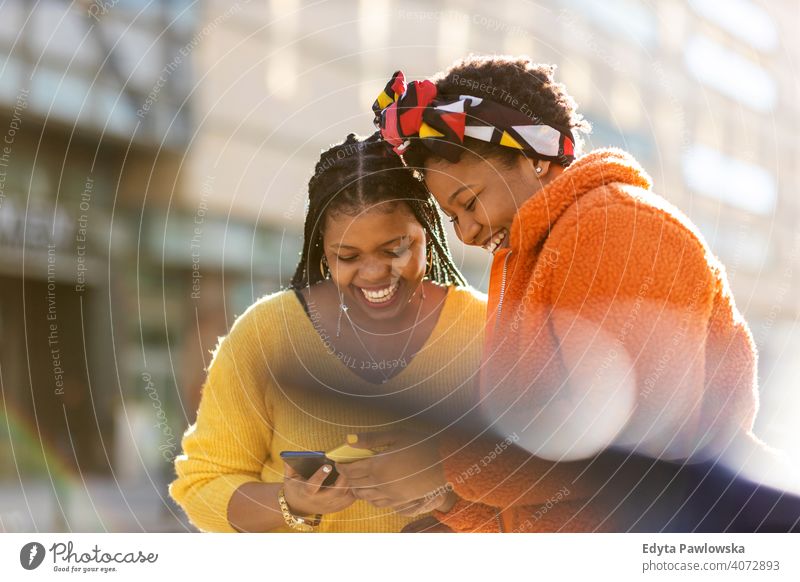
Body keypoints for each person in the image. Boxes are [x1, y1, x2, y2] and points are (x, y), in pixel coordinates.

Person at [338, 55, 765, 532]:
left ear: (534, 157)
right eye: (452, 217)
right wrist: (437, 494)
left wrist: (444, 465)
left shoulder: (616, 226)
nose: (466, 233)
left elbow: (627, 444)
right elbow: (541, 502)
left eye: (469, 202)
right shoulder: (530, 256)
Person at [169, 133, 488, 532]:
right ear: (323, 250)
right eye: (347, 256)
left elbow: (544, 486)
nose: (373, 273)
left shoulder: (488, 331)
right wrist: (291, 502)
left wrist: (444, 487)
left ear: (427, 232)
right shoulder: (267, 333)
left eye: (395, 249)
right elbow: (202, 484)